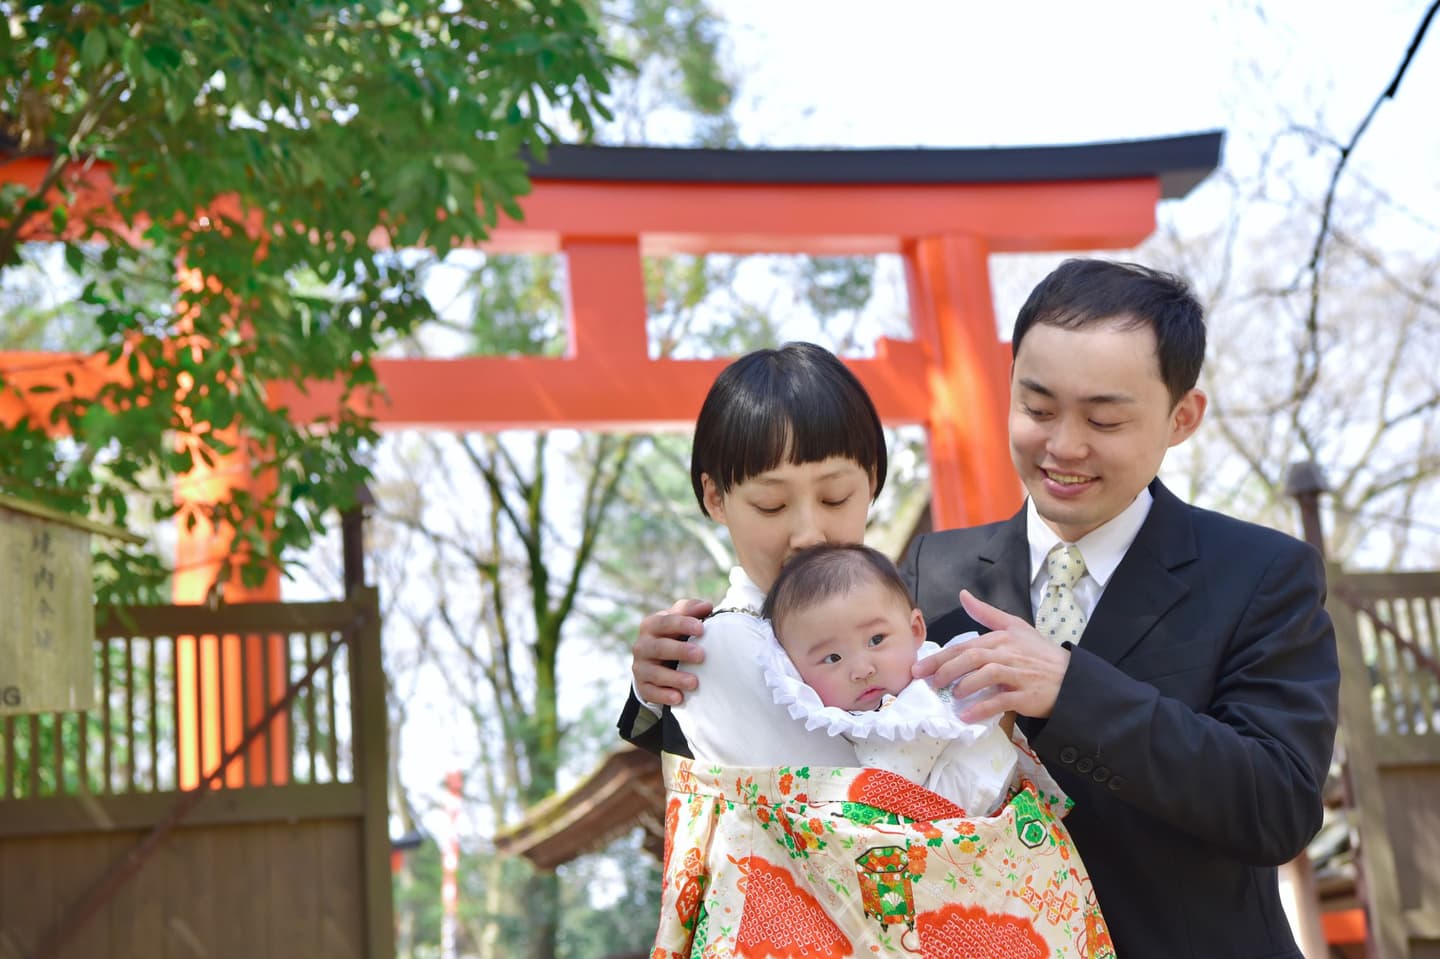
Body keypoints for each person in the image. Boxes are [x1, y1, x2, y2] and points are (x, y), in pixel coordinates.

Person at [623, 259, 1340, 958]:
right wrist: (654, 691)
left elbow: (1278, 805)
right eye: (1037, 407)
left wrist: (1072, 691)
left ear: (1182, 416)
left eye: (1103, 418)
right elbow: (802, 741)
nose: (1063, 444)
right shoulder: (929, 574)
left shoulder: (1261, 573)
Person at [637, 342, 1110, 958]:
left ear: (873, 482)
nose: (808, 532)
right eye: (771, 504)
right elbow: (876, 813)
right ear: (714, 496)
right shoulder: (715, 646)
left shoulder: (920, 613)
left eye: (835, 497)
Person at [759, 542, 1018, 817]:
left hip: (990, 813)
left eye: (876, 640)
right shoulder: (838, 724)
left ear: (915, 629)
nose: (862, 669)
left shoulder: (934, 686)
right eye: (833, 658)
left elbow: (899, 767)